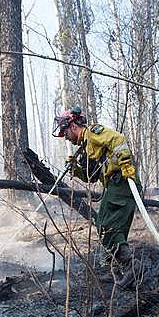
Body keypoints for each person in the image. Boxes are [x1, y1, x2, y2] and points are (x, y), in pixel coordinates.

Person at [53, 105, 141, 289]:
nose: (66, 137)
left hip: (122, 180)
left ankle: (131, 267)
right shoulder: (86, 147)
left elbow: (118, 140)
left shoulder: (93, 132)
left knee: (106, 226)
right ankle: (116, 271)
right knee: (110, 227)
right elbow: (91, 177)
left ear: (73, 126)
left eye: (65, 132)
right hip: (114, 184)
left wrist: (126, 163)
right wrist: (76, 169)